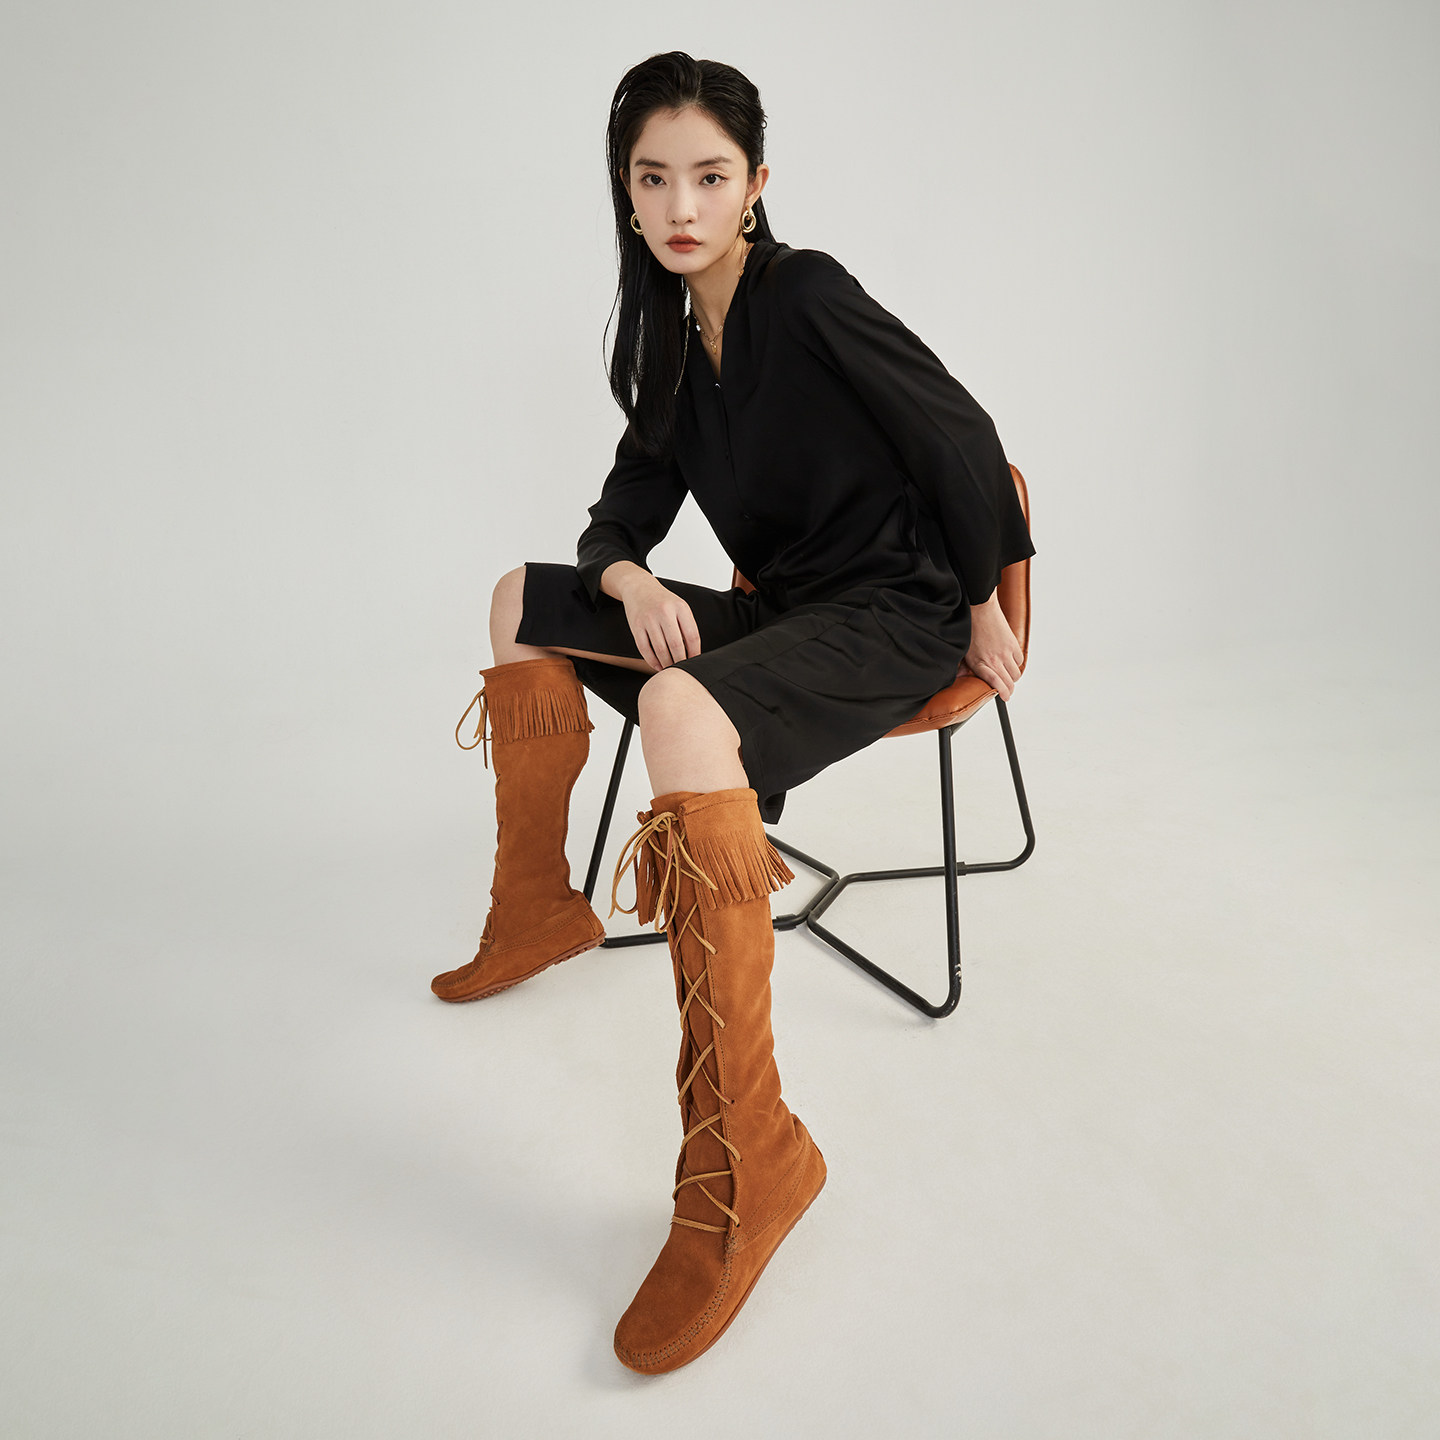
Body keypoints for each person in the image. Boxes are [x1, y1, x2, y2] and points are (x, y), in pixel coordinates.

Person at [433, 50, 1035, 1375]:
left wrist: (988, 596)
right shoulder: (665, 347)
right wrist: (630, 576)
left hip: (899, 613)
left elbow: (959, 431)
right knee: (523, 600)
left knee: (680, 710)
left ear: (756, 183)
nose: (682, 205)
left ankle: (751, 1154)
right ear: (627, 192)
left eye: (709, 176)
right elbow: (618, 514)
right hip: (792, 616)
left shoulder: (803, 294)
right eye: (654, 179)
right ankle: (535, 907)